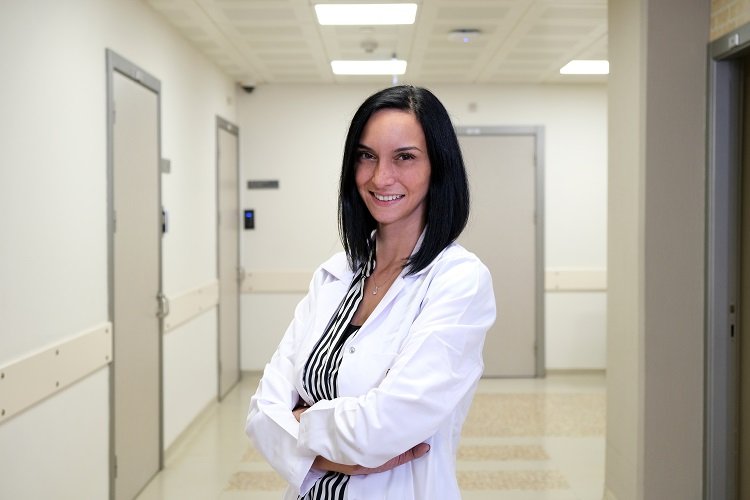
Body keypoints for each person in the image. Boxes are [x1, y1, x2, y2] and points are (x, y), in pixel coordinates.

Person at [245, 85, 496, 500]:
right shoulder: (336, 274)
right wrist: (327, 455)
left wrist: (299, 421)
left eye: (405, 157)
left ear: (438, 167)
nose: (380, 177)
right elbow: (260, 414)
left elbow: (383, 427)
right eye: (366, 156)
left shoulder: (458, 281)